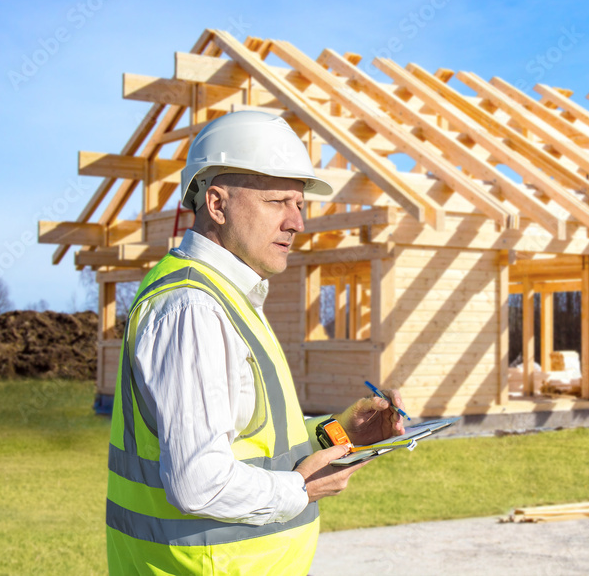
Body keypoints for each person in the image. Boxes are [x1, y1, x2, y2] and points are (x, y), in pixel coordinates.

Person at [105, 110, 406, 575]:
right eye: (276, 202)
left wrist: (343, 431)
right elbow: (198, 483)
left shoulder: (229, 299)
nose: (296, 222)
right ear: (217, 204)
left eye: (300, 204)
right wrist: (299, 489)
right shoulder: (195, 309)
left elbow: (253, 440)